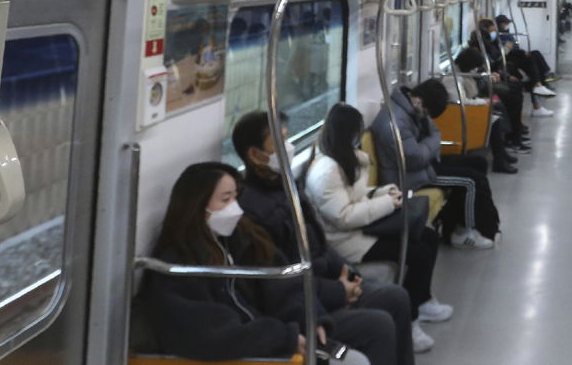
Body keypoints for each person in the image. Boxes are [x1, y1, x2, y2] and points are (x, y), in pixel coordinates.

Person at [230, 111, 419, 360]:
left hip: (321, 283)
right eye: (279, 143)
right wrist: (338, 291)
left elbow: (318, 243)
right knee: (378, 325)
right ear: (255, 155)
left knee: (396, 297)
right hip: (303, 306)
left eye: (287, 138)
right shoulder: (253, 212)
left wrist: (348, 273)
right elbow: (281, 283)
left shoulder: (287, 188)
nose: (289, 147)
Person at [139, 162, 321, 361]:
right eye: (226, 199)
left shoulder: (239, 238)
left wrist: (310, 321)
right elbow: (210, 335)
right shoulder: (176, 267)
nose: (236, 209)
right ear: (197, 205)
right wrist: (283, 336)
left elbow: (283, 287)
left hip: (280, 339)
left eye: (235, 198)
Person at [306, 104, 453, 350]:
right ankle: (412, 318)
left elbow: (355, 194)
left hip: (359, 229)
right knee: (417, 251)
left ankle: (423, 299)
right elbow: (343, 216)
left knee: (426, 236)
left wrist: (382, 192)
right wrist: (386, 203)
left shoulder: (343, 159)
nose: (359, 138)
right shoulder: (326, 171)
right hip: (345, 240)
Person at [371, 79, 500, 247]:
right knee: (471, 181)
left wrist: (429, 143)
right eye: (426, 113)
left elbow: (434, 133)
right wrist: (432, 142)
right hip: (406, 177)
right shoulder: (395, 123)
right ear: (419, 101)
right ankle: (466, 232)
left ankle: (472, 224)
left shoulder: (411, 109)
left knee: (478, 163)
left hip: (423, 165)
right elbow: (415, 158)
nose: (426, 117)